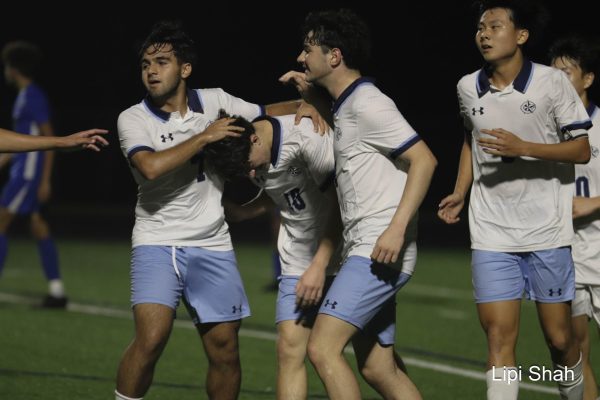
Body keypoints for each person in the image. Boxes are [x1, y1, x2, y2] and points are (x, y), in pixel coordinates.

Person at [114, 20, 326, 400]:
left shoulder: (214, 101)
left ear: (185, 68)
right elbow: (149, 166)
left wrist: (307, 104)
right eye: (146, 63)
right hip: (157, 242)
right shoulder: (133, 118)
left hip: (212, 244)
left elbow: (264, 113)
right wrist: (204, 136)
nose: (151, 71)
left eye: (162, 62)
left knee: (225, 351)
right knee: (150, 340)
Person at [280, 9, 437, 400]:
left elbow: (425, 160)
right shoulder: (347, 106)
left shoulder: (369, 103)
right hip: (364, 248)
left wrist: (397, 228)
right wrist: (312, 97)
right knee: (378, 368)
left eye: (308, 49)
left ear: (334, 56)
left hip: (377, 249)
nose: (301, 58)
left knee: (322, 348)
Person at [437, 1, 592, 399]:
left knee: (560, 342)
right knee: (498, 341)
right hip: (492, 233)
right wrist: (460, 190)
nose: (484, 34)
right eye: (479, 27)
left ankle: (574, 393)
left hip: (547, 230)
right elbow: (472, 141)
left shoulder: (551, 83)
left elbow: (581, 150)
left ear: (521, 35)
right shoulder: (466, 87)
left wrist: (525, 146)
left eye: (494, 26)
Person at [205, 112, 340, 400]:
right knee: (289, 350)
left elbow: (342, 202)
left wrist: (319, 264)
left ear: (255, 138)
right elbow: (280, 189)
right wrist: (245, 211)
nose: (251, 174)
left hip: (344, 257)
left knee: (374, 363)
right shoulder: (253, 153)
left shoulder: (304, 139)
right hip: (297, 261)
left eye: (247, 165)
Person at [0, 41, 107, 308]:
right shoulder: (25, 96)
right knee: (39, 227)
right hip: (24, 171)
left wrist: (45, 179)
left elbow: (47, 137)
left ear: (12, 69)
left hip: (26, 175)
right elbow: (20, 142)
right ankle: (57, 291)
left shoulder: (32, 96)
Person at [550, 34, 600, 400]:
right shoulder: (544, 133)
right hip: (564, 257)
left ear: (588, 79)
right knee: (571, 349)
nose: (557, 81)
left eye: (566, 73)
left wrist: (593, 203)